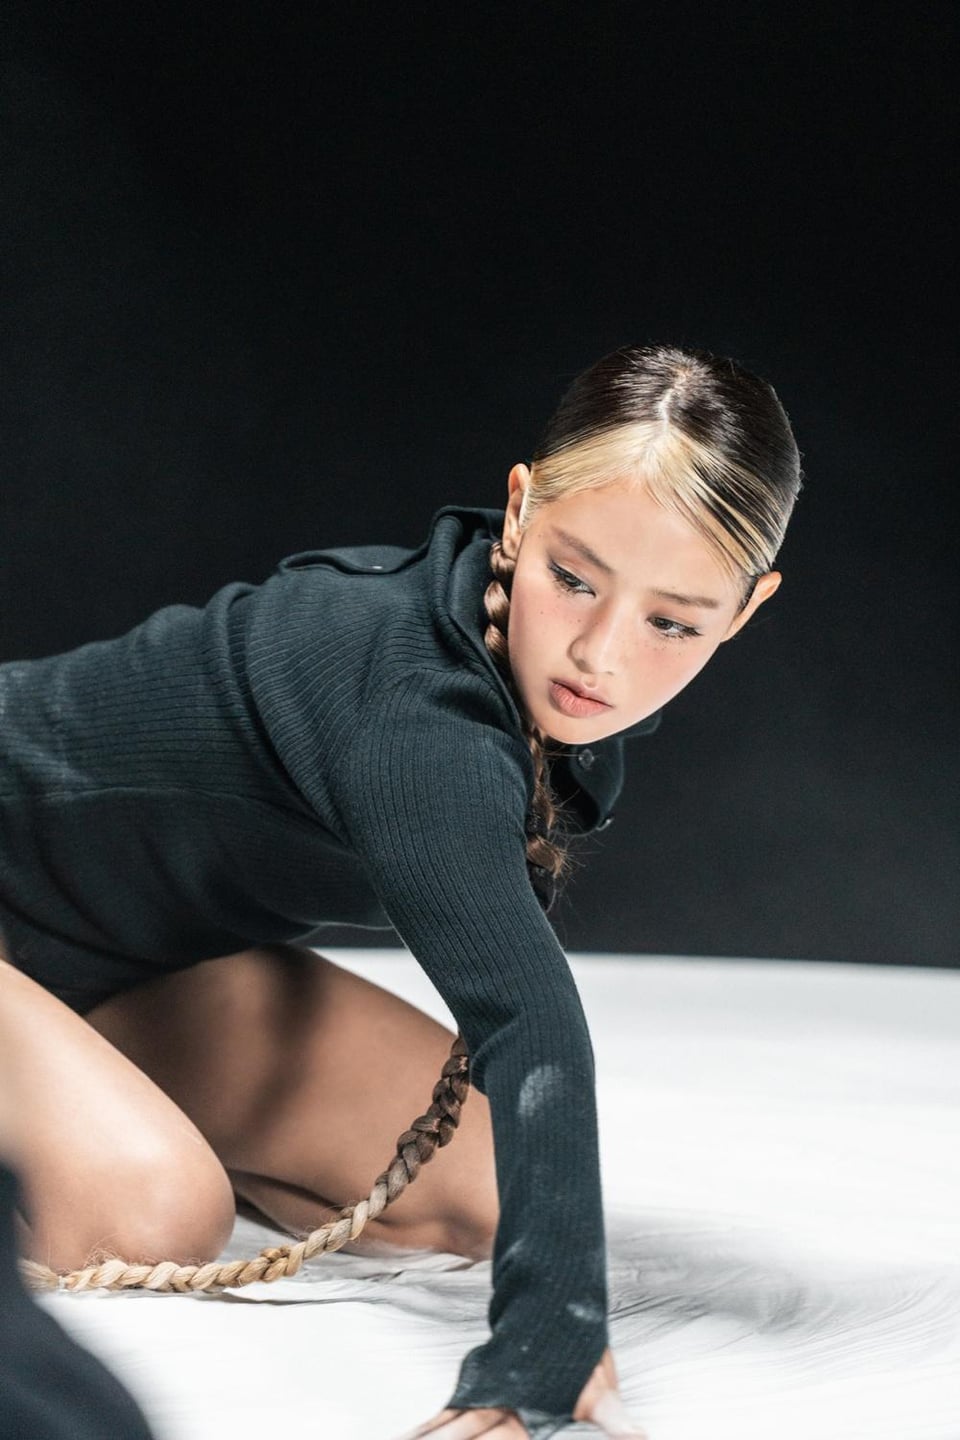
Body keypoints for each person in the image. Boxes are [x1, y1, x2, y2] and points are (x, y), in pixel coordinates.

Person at [0, 343, 801, 1439]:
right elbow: (526, 1016)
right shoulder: (415, 705)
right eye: (574, 579)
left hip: (112, 951)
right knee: (147, 1214)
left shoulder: (528, 678)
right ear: (518, 510)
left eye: (673, 622)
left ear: (746, 610)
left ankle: (62, 1081)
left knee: (477, 1188)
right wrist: (547, 1337)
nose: (601, 656)